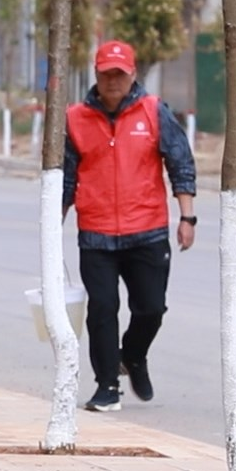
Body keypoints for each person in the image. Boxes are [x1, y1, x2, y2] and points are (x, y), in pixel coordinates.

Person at [64, 39, 197, 413]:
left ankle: (134, 355)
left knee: (151, 309)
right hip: (96, 234)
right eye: (106, 74)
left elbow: (180, 163)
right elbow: (66, 179)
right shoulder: (75, 118)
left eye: (119, 74)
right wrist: (53, 227)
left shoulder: (153, 111)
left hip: (147, 230)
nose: (113, 81)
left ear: (133, 74)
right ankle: (106, 386)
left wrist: (187, 217)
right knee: (102, 310)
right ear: (96, 74)